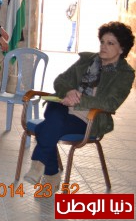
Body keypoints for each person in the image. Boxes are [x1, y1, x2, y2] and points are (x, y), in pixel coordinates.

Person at [23, 21, 135, 191]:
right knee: (54, 119)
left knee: (44, 128)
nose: (103, 46)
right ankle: (43, 170)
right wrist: (69, 91)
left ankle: (48, 172)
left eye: (110, 43)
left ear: (122, 49)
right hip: (62, 106)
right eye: (102, 42)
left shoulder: (124, 74)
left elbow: (111, 103)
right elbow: (60, 80)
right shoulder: (88, 60)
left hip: (88, 119)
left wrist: (78, 99)